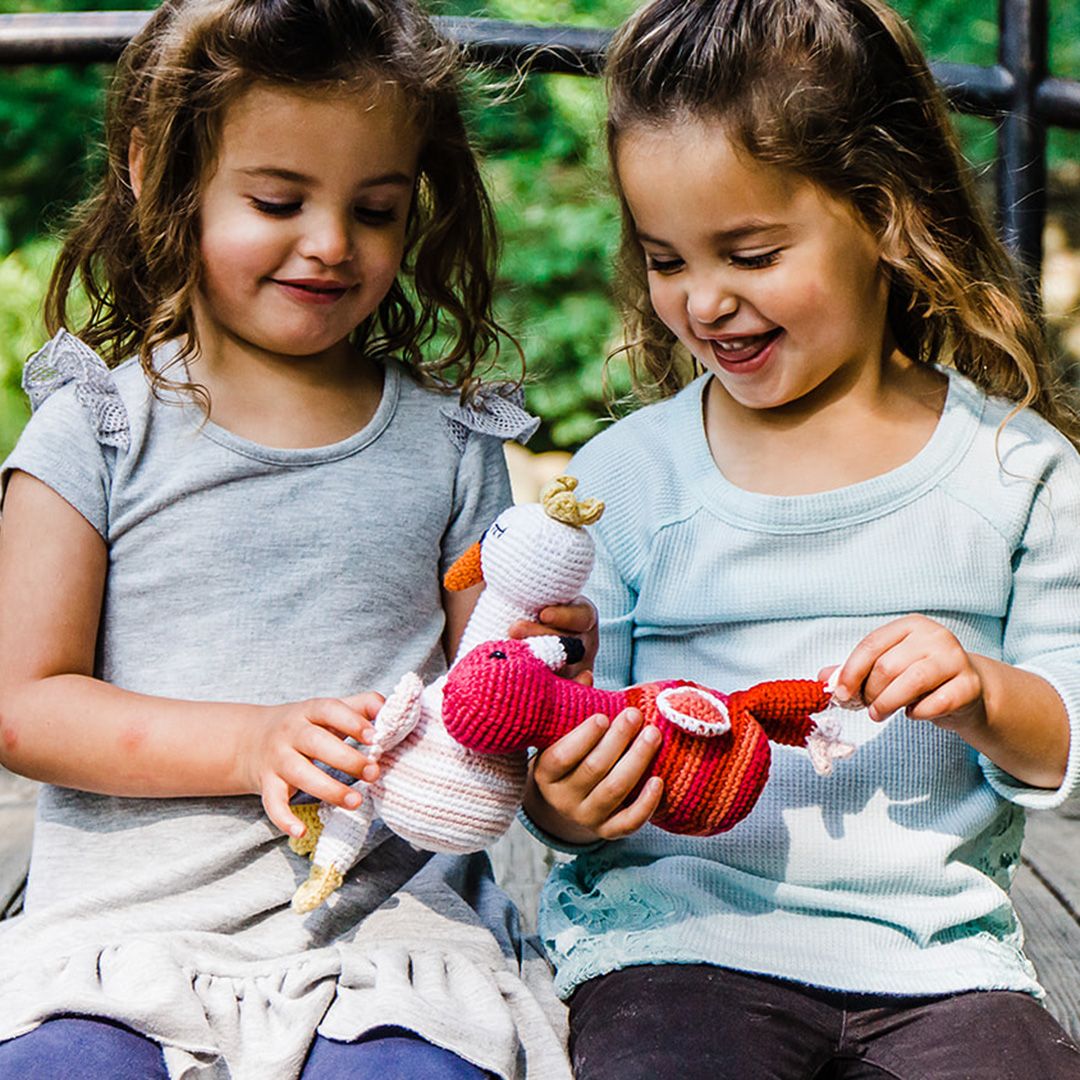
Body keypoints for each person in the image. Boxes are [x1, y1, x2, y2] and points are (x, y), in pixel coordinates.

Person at [0, 2, 582, 1077]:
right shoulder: (98, 424)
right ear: (155, 172)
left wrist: (546, 667)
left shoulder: (451, 437)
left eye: (376, 209)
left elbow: (491, 697)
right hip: (126, 927)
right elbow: (25, 703)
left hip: (386, 934)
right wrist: (252, 740)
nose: (330, 245)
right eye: (278, 200)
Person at [518, 2, 1080, 1078]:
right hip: (675, 947)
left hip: (938, 968)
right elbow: (565, 756)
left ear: (883, 212)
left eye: (752, 252)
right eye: (667, 259)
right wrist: (566, 801)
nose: (705, 301)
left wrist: (984, 693)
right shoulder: (624, 483)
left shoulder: (1019, 475)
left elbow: (1066, 739)